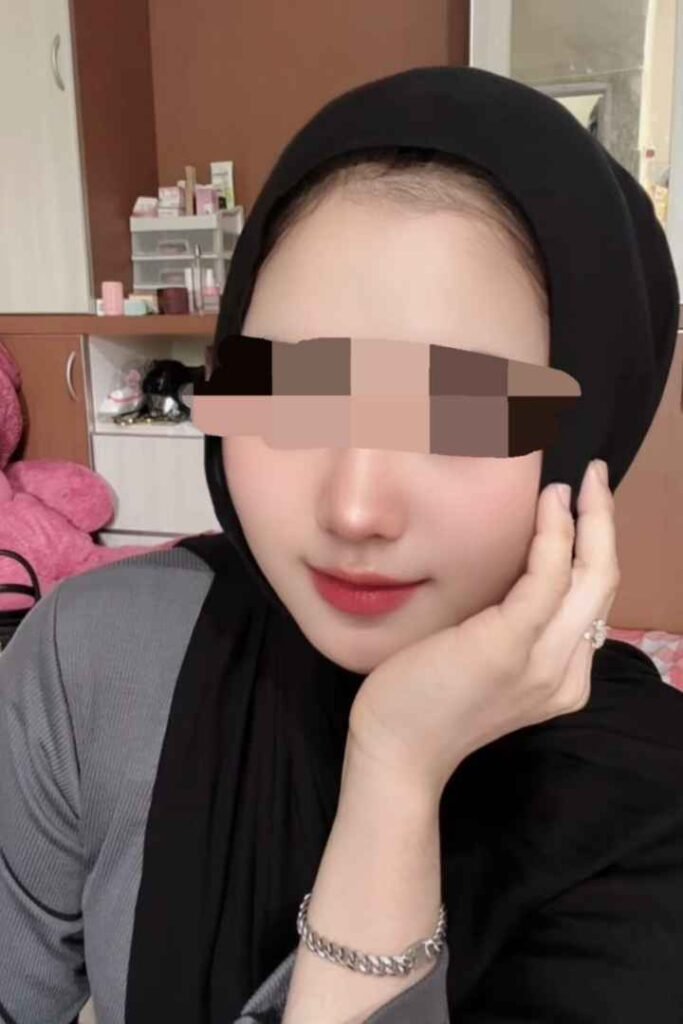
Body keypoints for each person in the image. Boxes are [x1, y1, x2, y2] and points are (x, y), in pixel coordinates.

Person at [1, 65, 681, 1024]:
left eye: (458, 412)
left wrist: (394, 773)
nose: (355, 508)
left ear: (588, 427)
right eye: (290, 393)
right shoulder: (95, 657)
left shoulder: (645, 803)